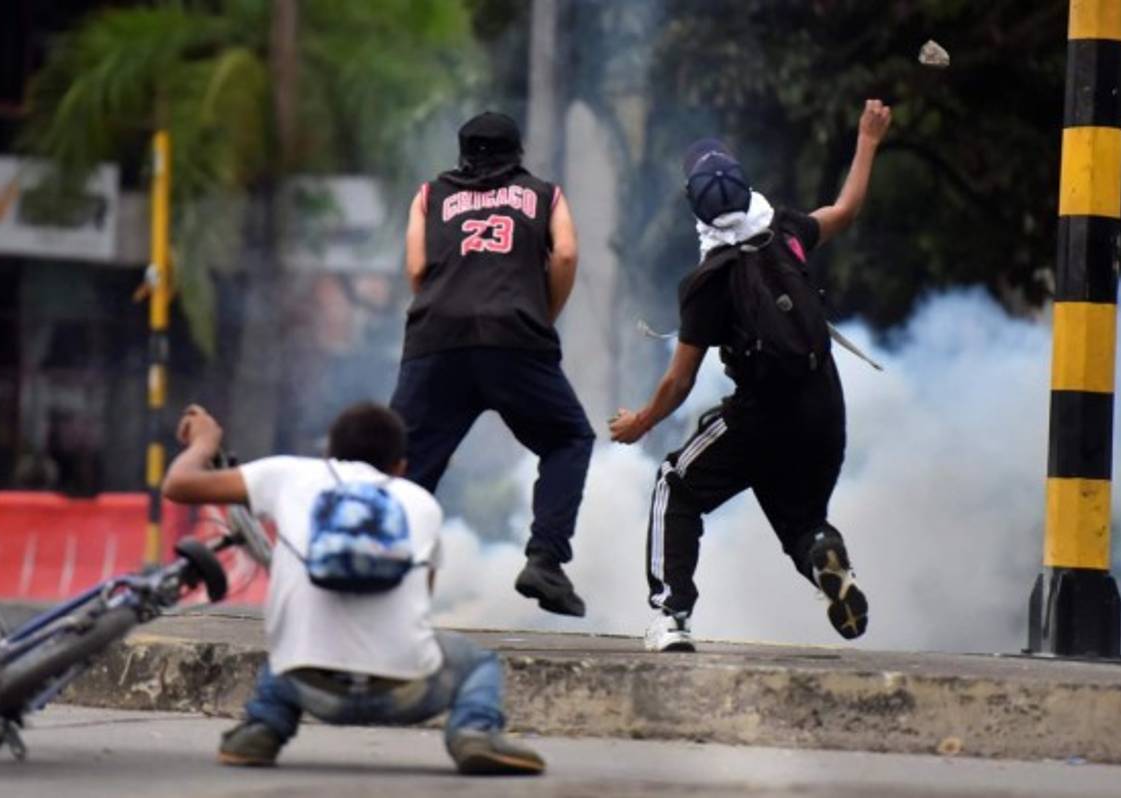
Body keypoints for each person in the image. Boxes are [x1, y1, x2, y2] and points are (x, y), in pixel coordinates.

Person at [609, 100, 892, 652]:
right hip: (824, 405)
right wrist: (867, 140)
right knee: (802, 518)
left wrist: (641, 422)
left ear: (695, 206)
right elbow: (846, 209)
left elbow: (680, 381)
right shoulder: (785, 229)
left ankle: (670, 617)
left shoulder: (707, 280)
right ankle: (823, 554)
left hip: (762, 412)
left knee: (676, 484)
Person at [161, 402, 545, 775]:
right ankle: (474, 732)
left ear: (329, 453)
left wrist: (204, 442)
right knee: (478, 662)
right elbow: (419, 606)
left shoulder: (289, 475)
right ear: (400, 466)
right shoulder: (420, 502)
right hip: (403, 691)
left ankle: (262, 727)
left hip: (308, 687)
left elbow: (178, 485)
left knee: (288, 646)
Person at [390, 111, 594, 617]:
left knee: (405, 466)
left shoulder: (428, 195)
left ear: (462, 152)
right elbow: (565, 255)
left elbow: (417, 268)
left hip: (437, 338)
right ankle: (545, 559)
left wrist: (444, 308)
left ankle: (384, 574)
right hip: (516, 336)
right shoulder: (546, 195)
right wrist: (542, 315)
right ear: (517, 152)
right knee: (568, 438)